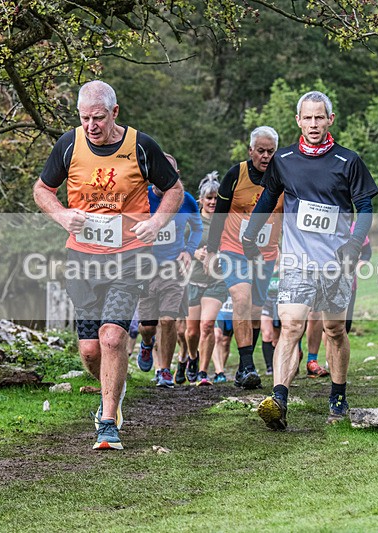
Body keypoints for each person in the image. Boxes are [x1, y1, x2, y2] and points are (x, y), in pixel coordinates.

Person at [33, 80, 183, 450]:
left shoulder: (141, 147)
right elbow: (41, 189)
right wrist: (63, 215)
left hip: (128, 257)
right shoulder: (69, 144)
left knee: (113, 337)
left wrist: (156, 222)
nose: (91, 126)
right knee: (90, 350)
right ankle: (111, 385)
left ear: (114, 112)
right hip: (82, 258)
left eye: (98, 118)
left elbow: (175, 190)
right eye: (84, 118)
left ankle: (108, 420)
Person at [243, 91, 378, 430]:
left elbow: (365, 208)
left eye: (320, 117)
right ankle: (279, 400)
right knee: (290, 326)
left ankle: (338, 394)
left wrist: (354, 243)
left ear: (330, 119)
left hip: (336, 263)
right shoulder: (284, 160)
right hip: (296, 262)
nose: (314, 124)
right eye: (308, 117)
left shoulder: (348, 161)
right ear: (298, 121)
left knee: (334, 330)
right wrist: (249, 234)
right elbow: (268, 198)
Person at [205, 126, 283, 390]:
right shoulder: (235, 174)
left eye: (270, 151)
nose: (265, 156)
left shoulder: (284, 177)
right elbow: (220, 215)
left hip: (266, 253)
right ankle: (248, 364)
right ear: (251, 150)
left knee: (255, 309)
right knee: (241, 297)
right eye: (260, 151)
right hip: (233, 247)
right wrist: (212, 250)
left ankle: (242, 367)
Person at [137, 153, 202, 388]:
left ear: (176, 175)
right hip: (145, 270)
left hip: (173, 269)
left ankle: (164, 370)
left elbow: (197, 227)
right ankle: (146, 345)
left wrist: (190, 250)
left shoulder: (186, 200)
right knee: (148, 326)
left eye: (169, 173)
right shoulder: (141, 198)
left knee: (168, 320)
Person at [183, 172, 231, 386]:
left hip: (217, 281)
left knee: (207, 325)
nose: (213, 202)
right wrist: (196, 254)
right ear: (200, 200)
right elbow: (178, 247)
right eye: (209, 198)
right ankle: (192, 357)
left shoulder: (226, 221)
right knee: (191, 332)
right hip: (193, 280)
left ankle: (203, 372)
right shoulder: (192, 221)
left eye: (216, 198)